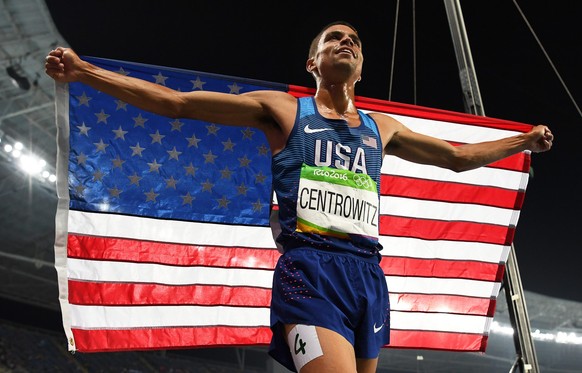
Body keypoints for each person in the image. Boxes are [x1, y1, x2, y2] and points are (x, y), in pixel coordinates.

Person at [45, 21, 553, 373]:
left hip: (367, 276)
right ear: (314, 60)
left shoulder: (383, 128)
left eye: (354, 40)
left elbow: (458, 159)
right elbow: (178, 104)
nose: (347, 42)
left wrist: (523, 141)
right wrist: (84, 71)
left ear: (361, 67)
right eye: (335, 38)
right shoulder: (285, 111)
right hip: (310, 269)